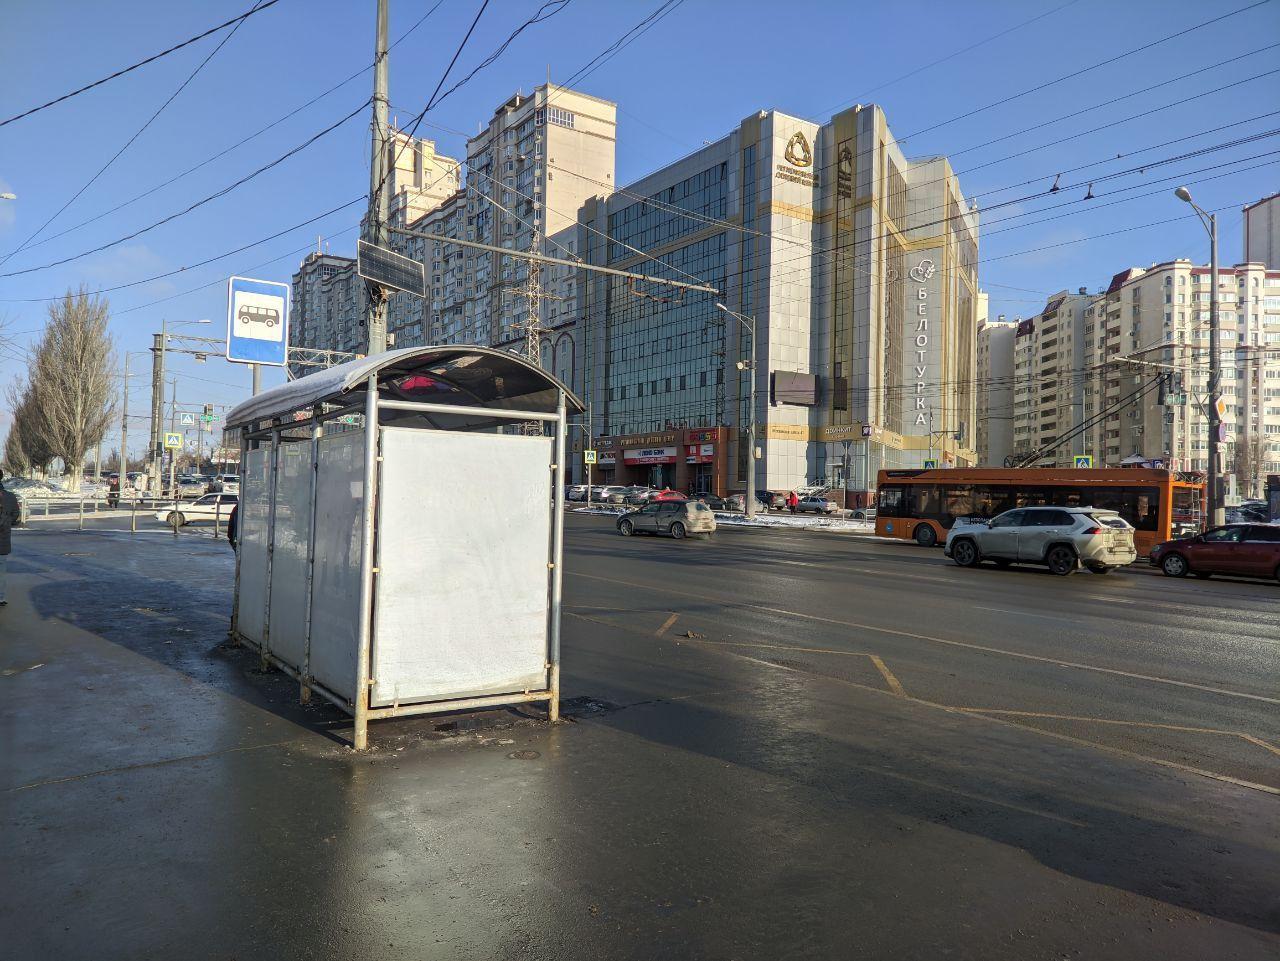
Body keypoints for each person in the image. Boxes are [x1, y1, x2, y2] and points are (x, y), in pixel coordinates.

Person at [0, 470, 21, 608]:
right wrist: (7, 522)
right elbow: (16, 514)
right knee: (1, 569)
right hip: (3, 537)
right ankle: (1, 597)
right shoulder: (10, 496)